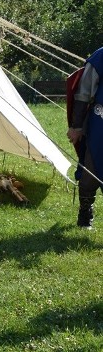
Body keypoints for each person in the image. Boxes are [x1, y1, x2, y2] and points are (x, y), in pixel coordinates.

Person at [67, 46, 103, 229]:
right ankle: (85, 212)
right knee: (92, 168)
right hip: (100, 126)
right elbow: (83, 94)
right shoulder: (100, 56)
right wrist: (76, 126)